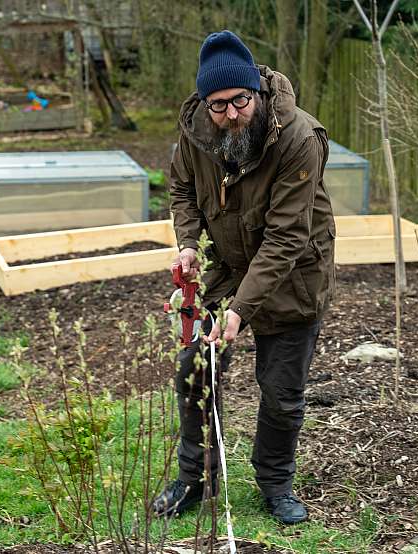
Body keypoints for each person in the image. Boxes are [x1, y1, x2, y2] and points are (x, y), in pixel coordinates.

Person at [152, 30, 336, 525]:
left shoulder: (299, 139)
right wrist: (189, 243)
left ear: (256, 90)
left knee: (281, 391)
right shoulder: (196, 135)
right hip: (223, 269)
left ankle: (276, 484)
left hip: (291, 276)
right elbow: (182, 190)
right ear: (204, 104)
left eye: (241, 100)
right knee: (196, 372)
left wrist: (239, 311)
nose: (232, 114)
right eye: (219, 106)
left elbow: (286, 238)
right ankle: (194, 477)